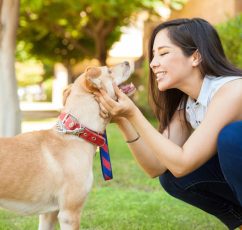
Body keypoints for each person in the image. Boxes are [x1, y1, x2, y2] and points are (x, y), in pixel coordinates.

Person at [94, 18, 242, 230]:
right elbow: (157, 166)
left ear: (196, 57)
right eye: (154, 55)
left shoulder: (232, 91)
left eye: (163, 53)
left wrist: (134, 113)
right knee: (171, 176)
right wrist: (123, 119)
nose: (153, 63)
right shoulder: (189, 104)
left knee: (232, 137)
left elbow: (182, 163)